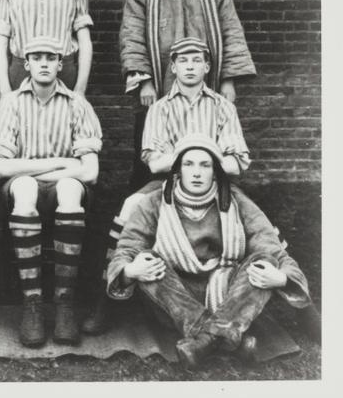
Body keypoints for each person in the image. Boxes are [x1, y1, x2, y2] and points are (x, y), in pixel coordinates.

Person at [83, 37, 249, 335]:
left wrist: (194, 158)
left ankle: (293, 303)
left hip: (215, 182)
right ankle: (105, 298)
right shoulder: (159, 109)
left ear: (207, 66)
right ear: (172, 67)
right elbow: (155, 164)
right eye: (182, 61)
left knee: (255, 218)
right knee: (131, 206)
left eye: (196, 60)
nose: (189, 67)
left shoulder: (223, 107)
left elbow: (236, 164)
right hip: (167, 182)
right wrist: (205, 151)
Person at [107, 134, 311, 369]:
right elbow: (126, 249)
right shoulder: (153, 202)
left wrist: (282, 278)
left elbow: (273, 250)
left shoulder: (236, 201)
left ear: (215, 171)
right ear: (177, 171)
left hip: (228, 295)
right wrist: (131, 270)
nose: (196, 172)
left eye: (205, 165)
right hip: (176, 297)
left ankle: (204, 341)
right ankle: (230, 337)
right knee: (148, 260)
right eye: (188, 164)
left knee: (263, 261)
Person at [120, 0, 256, 191]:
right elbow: (132, 34)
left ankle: (207, 198)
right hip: (158, 82)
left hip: (205, 79)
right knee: (150, 151)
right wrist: (144, 80)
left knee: (204, 140)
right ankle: (145, 209)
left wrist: (228, 80)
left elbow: (230, 28)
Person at [0, 36, 103, 347]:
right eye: (36, 57)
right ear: (26, 64)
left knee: (69, 188)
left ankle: (64, 302)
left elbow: (90, 172)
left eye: (50, 58)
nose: (43, 63)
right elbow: (1, 168)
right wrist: (60, 163)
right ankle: (33, 303)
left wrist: (43, 169)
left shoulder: (77, 104)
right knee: (25, 187)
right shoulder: (12, 103)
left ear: (60, 64)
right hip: (25, 186)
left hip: (66, 187)